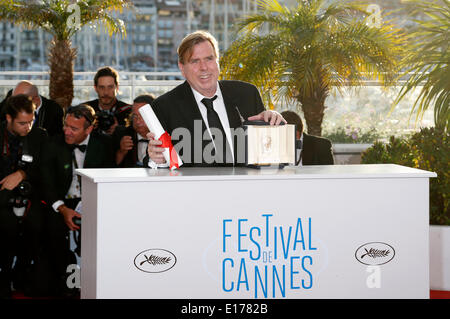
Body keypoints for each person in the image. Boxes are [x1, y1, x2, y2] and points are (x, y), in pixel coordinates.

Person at [146, 30, 285, 167]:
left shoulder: (247, 94)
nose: (204, 67)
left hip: (245, 186)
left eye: (209, 59)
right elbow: (156, 160)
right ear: (182, 68)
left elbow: (266, 153)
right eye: (195, 61)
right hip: (195, 188)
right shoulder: (164, 107)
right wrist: (158, 159)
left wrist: (271, 122)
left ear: (217, 61)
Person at [40, 104, 115, 297]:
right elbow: (46, 182)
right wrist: (62, 209)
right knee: (52, 230)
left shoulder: (105, 144)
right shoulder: (53, 143)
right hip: (61, 202)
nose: (67, 131)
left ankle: (98, 283)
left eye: (74, 128)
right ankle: (66, 285)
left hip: (93, 201)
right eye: (66, 125)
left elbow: (109, 181)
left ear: (89, 129)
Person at [0, 95, 47, 298]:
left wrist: (21, 174)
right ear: (9, 118)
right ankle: (3, 278)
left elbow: (44, 169)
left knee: (36, 226)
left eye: (31, 121)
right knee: (5, 229)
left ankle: (22, 275)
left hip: (31, 196)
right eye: (22, 123)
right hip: (1, 197)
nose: (27, 127)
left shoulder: (39, 136)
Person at [83, 66, 131, 135]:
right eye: (102, 87)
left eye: (110, 87)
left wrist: (120, 131)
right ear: (95, 88)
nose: (106, 92)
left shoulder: (128, 111)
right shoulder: (86, 111)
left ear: (117, 88)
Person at [113, 94, 156, 167]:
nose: (137, 121)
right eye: (135, 116)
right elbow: (108, 167)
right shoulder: (121, 134)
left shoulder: (165, 135)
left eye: (142, 116)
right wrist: (121, 152)